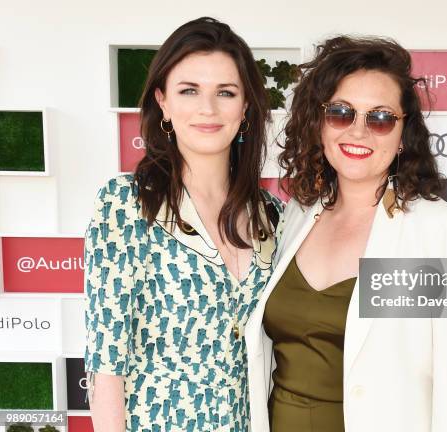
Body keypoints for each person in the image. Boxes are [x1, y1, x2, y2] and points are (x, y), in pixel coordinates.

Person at [244, 36, 447, 432]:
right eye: (341, 113)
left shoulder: (442, 229)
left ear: (404, 134)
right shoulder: (297, 215)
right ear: (319, 123)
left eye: (380, 118)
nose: (358, 132)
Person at [84, 17, 282, 432]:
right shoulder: (125, 205)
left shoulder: (272, 214)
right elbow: (106, 368)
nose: (207, 109)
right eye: (189, 90)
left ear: (245, 106)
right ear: (163, 102)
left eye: (225, 93)